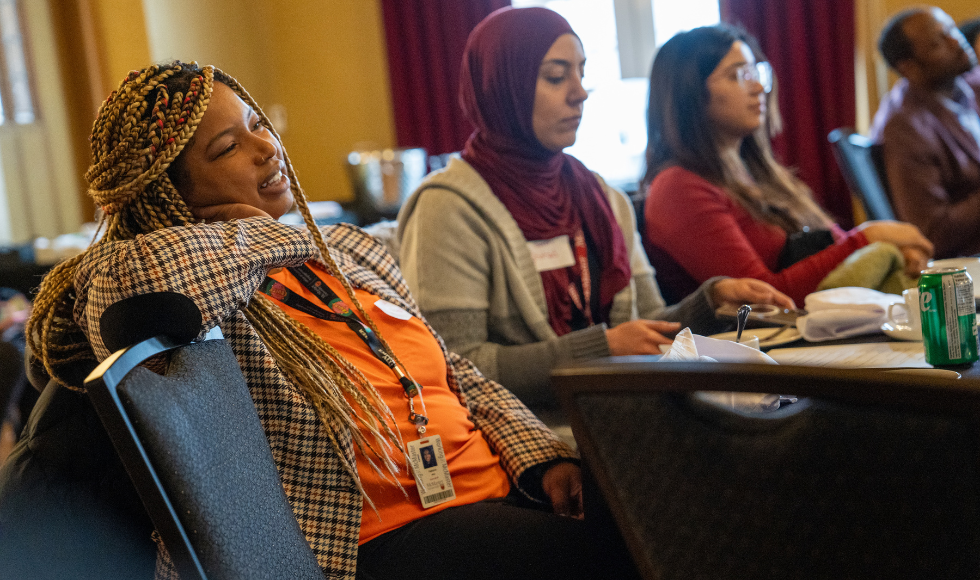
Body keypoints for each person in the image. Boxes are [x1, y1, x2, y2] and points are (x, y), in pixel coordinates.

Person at [18, 61, 636, 580]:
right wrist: (266, 234)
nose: (267, 149)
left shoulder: (347, 252)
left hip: (491, 491)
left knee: (657, 498)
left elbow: (456, 373)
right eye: (229, 147)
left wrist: (543, 459)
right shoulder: (176, 281)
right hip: (369, 541)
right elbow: (134, 284)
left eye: (258, 125)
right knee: (621, 554)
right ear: (164, 191)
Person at [396, 7, 793, 408]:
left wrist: (711, 301)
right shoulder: (448, 209)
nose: (579, 92)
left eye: (581, 74)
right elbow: (452, 368)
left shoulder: (601, 197)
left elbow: (649, 322)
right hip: (533, 438)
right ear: (504, 86)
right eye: (556, 76)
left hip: (622, 415)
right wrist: (600, 349)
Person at [642, 25, 933, 307]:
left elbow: (835, 247)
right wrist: (868, 238)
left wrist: (889, 252)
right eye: (739, 75)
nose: (758, 87)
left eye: (757, 72)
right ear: (689, 94)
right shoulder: (677, 188)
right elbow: (765, 299)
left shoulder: (759, 171)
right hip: (748, 349)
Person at [868, 7, 980, 259]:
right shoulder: (905, 128)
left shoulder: (963, 87)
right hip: (965, 266)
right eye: (937, 42)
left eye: (951, 29)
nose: (957, 41)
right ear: (908, 67)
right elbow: (931, 231)